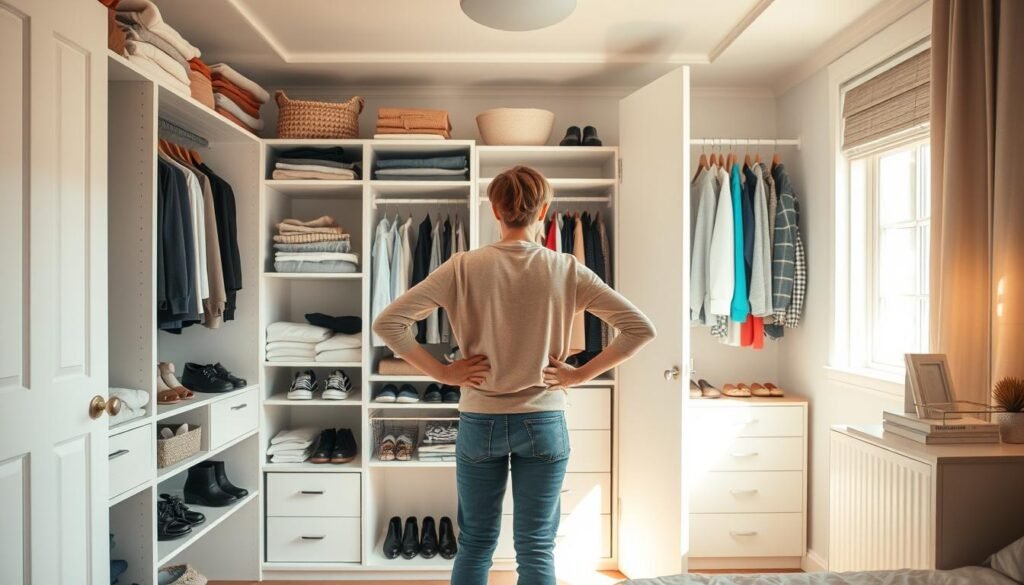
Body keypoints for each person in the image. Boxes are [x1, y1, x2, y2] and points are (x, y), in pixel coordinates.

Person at [373, 165, 656, 585]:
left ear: (494, 209)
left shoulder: (463, 266)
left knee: (475, 543)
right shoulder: (566, 268)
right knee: (537, 546)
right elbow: (639, 329)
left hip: (480, 420)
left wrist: (445, 373)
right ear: (544, 210)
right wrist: (577, 376)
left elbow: (388, 323)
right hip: (544, 420)